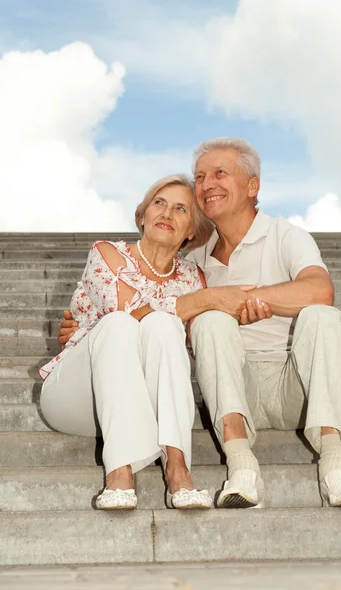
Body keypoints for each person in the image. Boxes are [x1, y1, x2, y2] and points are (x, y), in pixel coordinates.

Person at [60, 137, 341, 510]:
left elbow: (321, 290)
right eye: (200, 176)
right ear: (142, 214)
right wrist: (93, 328)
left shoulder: (282, 236)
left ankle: (336, 465)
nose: (207, 184)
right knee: (207, 322)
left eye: (220, 173)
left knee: (323, 316)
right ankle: (240, 465)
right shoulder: (196, 263)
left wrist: (253, 301)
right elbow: (171, 326)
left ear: (252, 186)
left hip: (295, 385)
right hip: (235, 391)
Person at [41, 172, 271, 511]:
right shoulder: (107, 254)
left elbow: (194, 351)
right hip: (77, 397)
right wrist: (205, 300)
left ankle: (178, 471)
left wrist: (210, 301)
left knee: (163, 325)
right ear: (143, 215)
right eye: (159, 204)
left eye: (180, 209)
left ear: (192, 228)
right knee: (119, 323)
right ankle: (119, 473)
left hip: (143, 404)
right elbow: (127, 308)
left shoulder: (194, 279)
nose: (166, 214)